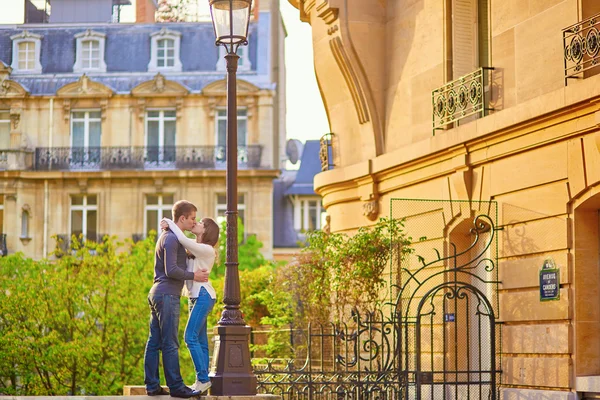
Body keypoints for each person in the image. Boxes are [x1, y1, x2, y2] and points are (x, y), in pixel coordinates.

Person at [143, 200, 208, 398]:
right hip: (167, 294)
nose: (194, 222)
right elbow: (171, 270)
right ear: (182, 218)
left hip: (158, 293)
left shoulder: (169, 236)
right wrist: (194, 276)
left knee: (154, 342)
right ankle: (177, 387)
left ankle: (152, 386)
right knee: (170, 343)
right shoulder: (171, 239)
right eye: (192, 219)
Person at [161, 217, 219, 394]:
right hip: (194, 298)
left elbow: (182, 239)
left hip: (203, 295)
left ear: (206, 230)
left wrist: (170, 223)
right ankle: (201, 380)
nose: (197, 223)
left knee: (189, 337)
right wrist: (167, 229)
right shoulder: (195, 249)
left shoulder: (207, 250)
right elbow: (182, 242)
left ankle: (203, 379)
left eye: (201, 223)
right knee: (200, 341)